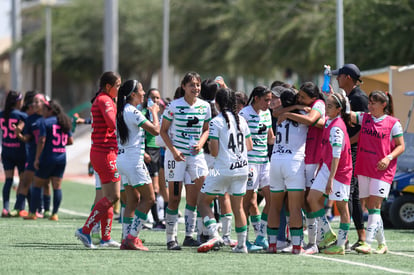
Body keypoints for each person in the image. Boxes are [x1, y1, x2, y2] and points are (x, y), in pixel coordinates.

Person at [196, 87, 252, 253]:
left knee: (202, 201)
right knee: (239, 208)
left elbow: (213, 152)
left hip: (221, 169)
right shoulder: (242, 120)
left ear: (218, 104)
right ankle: (242, 245)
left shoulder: (216, 122)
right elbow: (249, 146)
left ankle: (214, 234)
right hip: (242, 169)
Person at [160, 72, 211, 250]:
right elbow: (163, 131)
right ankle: (170, 238)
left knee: (203, 191)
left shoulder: (205, 106)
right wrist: (173, 151)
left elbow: (206, 130)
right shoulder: (174, 106)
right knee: (174, 198)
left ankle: (197, 234)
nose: (196, 88)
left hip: (196, 156)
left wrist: (201, 144)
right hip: (176, 157)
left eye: (198, 85)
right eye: (192, 85)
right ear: (184, 87)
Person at [351, 91, 404, 254]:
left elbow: (401, 146)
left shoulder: (393, 123)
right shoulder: (364, 117)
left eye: (374, 103)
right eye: (369, 102)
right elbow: (347, 113)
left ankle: (367, 242)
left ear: (383, 105)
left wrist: (388, 158)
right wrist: (334, 96)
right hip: (364, 167)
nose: (370, 106)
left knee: (374, 206)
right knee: (370, 206)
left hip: (382, 170)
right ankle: (382, 244)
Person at [276, 82, 326, 254]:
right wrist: (295, 107)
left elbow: (313, 120)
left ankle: (314, 242)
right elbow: (276, 113)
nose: (300, 99)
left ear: (313, 98)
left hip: (315, 159)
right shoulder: (303, 107)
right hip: (305, 159)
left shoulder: (318, 104)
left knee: (310, 202)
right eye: (299, 96)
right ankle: (298, 240)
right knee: (300, 202)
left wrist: (289, 113)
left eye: (303, 97)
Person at [75, 71, 121, 249]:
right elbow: (112, 123)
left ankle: (105, 237)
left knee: (106, 196)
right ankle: (85, 230)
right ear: (108, 87)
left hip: (104, 151)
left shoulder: (104, 99)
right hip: (105, 152)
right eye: (117, 86)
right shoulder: (104, 100)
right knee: (113, 196)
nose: (119, 89)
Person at [116, 80, 160, 250]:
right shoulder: (133, 111)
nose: (144, 94)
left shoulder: (122, 110)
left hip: (123, 161)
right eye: (141, 91)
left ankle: (125, 238)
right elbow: (155, 131)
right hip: (133, 162)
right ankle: (132, 238)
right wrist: (154, 112)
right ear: (133, 94)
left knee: (132, 200)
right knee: (149, 198)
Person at [307, 92, 353, 255]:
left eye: (330, 106)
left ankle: (340, 244)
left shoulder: (337, 128)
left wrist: (330, 180)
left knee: (342, 207)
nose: (326, 108)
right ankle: (327, 232)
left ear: (338, 109)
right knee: (312, 198)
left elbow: (337, 156)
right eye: (326, 104)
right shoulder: (329, 121)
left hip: (339, 171)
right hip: (327, 167)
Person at [332, 63, 368, 250]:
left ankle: (360, 237)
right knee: (348, 194)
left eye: (339, 75)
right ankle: (348, 236)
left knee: (351, 194)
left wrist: (348, 142)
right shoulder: (347, 97)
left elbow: (365, 130)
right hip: (346, 149)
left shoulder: (359, 99)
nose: (337, 78)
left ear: (347, 77)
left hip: (353, 150)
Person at [268, 87, 308, 254]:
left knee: (274, 206)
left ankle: (272, 245)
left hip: (276, 161)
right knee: (294, 207)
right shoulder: (304, 115)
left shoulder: (279, 114)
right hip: (294, 162)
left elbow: (279, 112)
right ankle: (297, 246)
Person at [239, 85, 274, 251]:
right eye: (266, 100)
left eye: (270, 100)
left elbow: (270, 138)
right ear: (256, 99)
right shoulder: (244, 114)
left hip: (265, 162)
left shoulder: (267, 114)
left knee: (271, 198)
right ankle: (244, 240)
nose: (269, 103)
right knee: (247, 201)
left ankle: (261, 236)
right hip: (250, 163)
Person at [28, 100, 73, 221]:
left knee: (37, 184)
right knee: (57, 187)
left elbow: (41, 140)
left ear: (51, 110)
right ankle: (54, 214)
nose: (42, 111)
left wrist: (37, 158)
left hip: (48, 157)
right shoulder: (64, 121)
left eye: (45, 109)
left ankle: (32, 213)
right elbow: (70, 141)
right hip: (61, 158)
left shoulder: (45, 122)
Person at [142, 88, 166, 230]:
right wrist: (143, 152)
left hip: (157, 151)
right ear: (147, 99)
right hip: (147, 151)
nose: (156, 100)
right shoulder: (143, 114)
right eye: (153, 97)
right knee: (149, 188)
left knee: (156, 188)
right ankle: (153, 219)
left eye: (158, 98)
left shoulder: (159, 115)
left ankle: (154, 220)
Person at [0, 91, 27, 217]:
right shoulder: (22, 115)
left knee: (8, 180)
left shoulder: (1, 114)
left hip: (6, 151)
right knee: (23, 181)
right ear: (18, 101)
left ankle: (5, 208)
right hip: (20, 152)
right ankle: (19, 207)